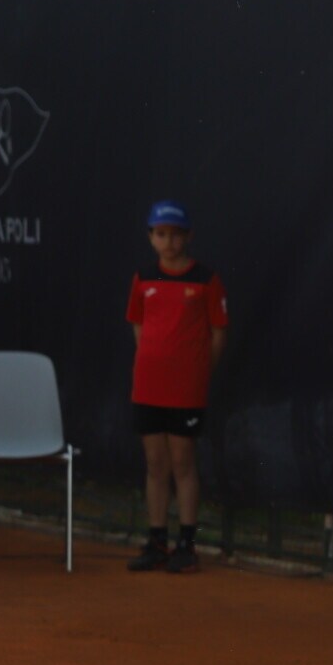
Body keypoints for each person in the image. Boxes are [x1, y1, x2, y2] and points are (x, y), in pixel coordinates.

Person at [124, 201, 228, 575]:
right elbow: (138, 325)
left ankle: (186, 544)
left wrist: (198, 372)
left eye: (175, 235)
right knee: (156, 464)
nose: (168, 242)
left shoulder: (206, 280)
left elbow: (218, 333)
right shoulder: (143, 278)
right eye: (161, 234)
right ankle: (157, 542)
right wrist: (154, 362)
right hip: (148, 386)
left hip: (186, 389)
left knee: (183, 462)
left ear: (188, 237)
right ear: (151, 237)